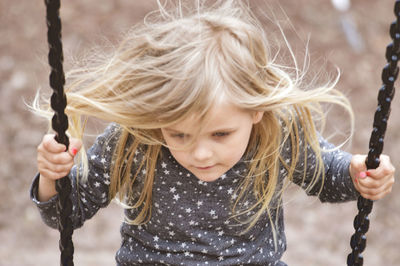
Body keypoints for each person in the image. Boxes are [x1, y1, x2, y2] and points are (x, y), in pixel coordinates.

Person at [31, 1, 395, 265]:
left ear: (256, 110)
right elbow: (65, 213)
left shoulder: (277, 132)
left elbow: (325, 176)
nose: (200, 154)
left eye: (220, 135)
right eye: (179, 135)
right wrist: (53, 175)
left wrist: (357, 172)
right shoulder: (136, 139)